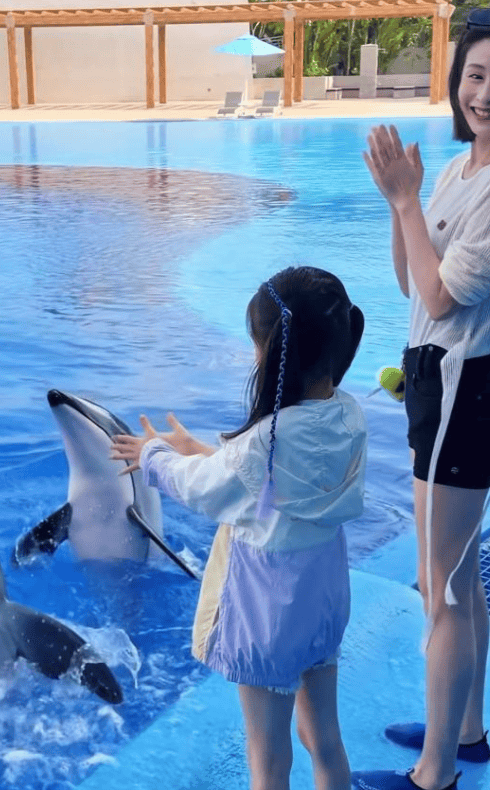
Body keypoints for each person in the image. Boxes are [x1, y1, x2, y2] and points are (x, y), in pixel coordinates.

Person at [352, 7, 490, 790]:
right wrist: (399, 201)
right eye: (475, 75)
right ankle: (464, 731)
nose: (486, 93)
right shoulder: (465, 169)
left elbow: (439, 299)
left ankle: (435, 773)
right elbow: (412, 282)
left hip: (464, 399)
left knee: (442, 593)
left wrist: (406, 202)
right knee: (456, 584)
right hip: (438, 389)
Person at [111, 266, 367, 790]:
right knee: (324, 737)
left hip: (268, 616)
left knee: (267, 761)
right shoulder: (348, 417)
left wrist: (155, 455)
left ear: (274, 356)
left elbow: (207, 488)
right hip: (322, 604)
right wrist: (201, 449)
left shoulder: (263, 443)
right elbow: (273, 485)